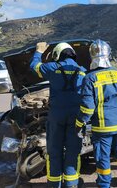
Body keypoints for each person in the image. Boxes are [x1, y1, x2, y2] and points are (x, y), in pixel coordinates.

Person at [76, 39, 117, 188]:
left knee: (103, 157)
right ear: (109, 54)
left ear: (91, 56)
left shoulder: (90, 78)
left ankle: (104, 184)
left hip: (102, 127)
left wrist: (79, 123)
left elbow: (88, 108)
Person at [30, 42, 86, 188]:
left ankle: (54, 184)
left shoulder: (51, 68)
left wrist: (38, 52)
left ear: (57, 55)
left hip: (56, 116)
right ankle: (71, 183)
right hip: (76, 116)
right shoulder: (82, 71)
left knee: (54, 150)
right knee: (73, 151)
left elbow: (34, 66)